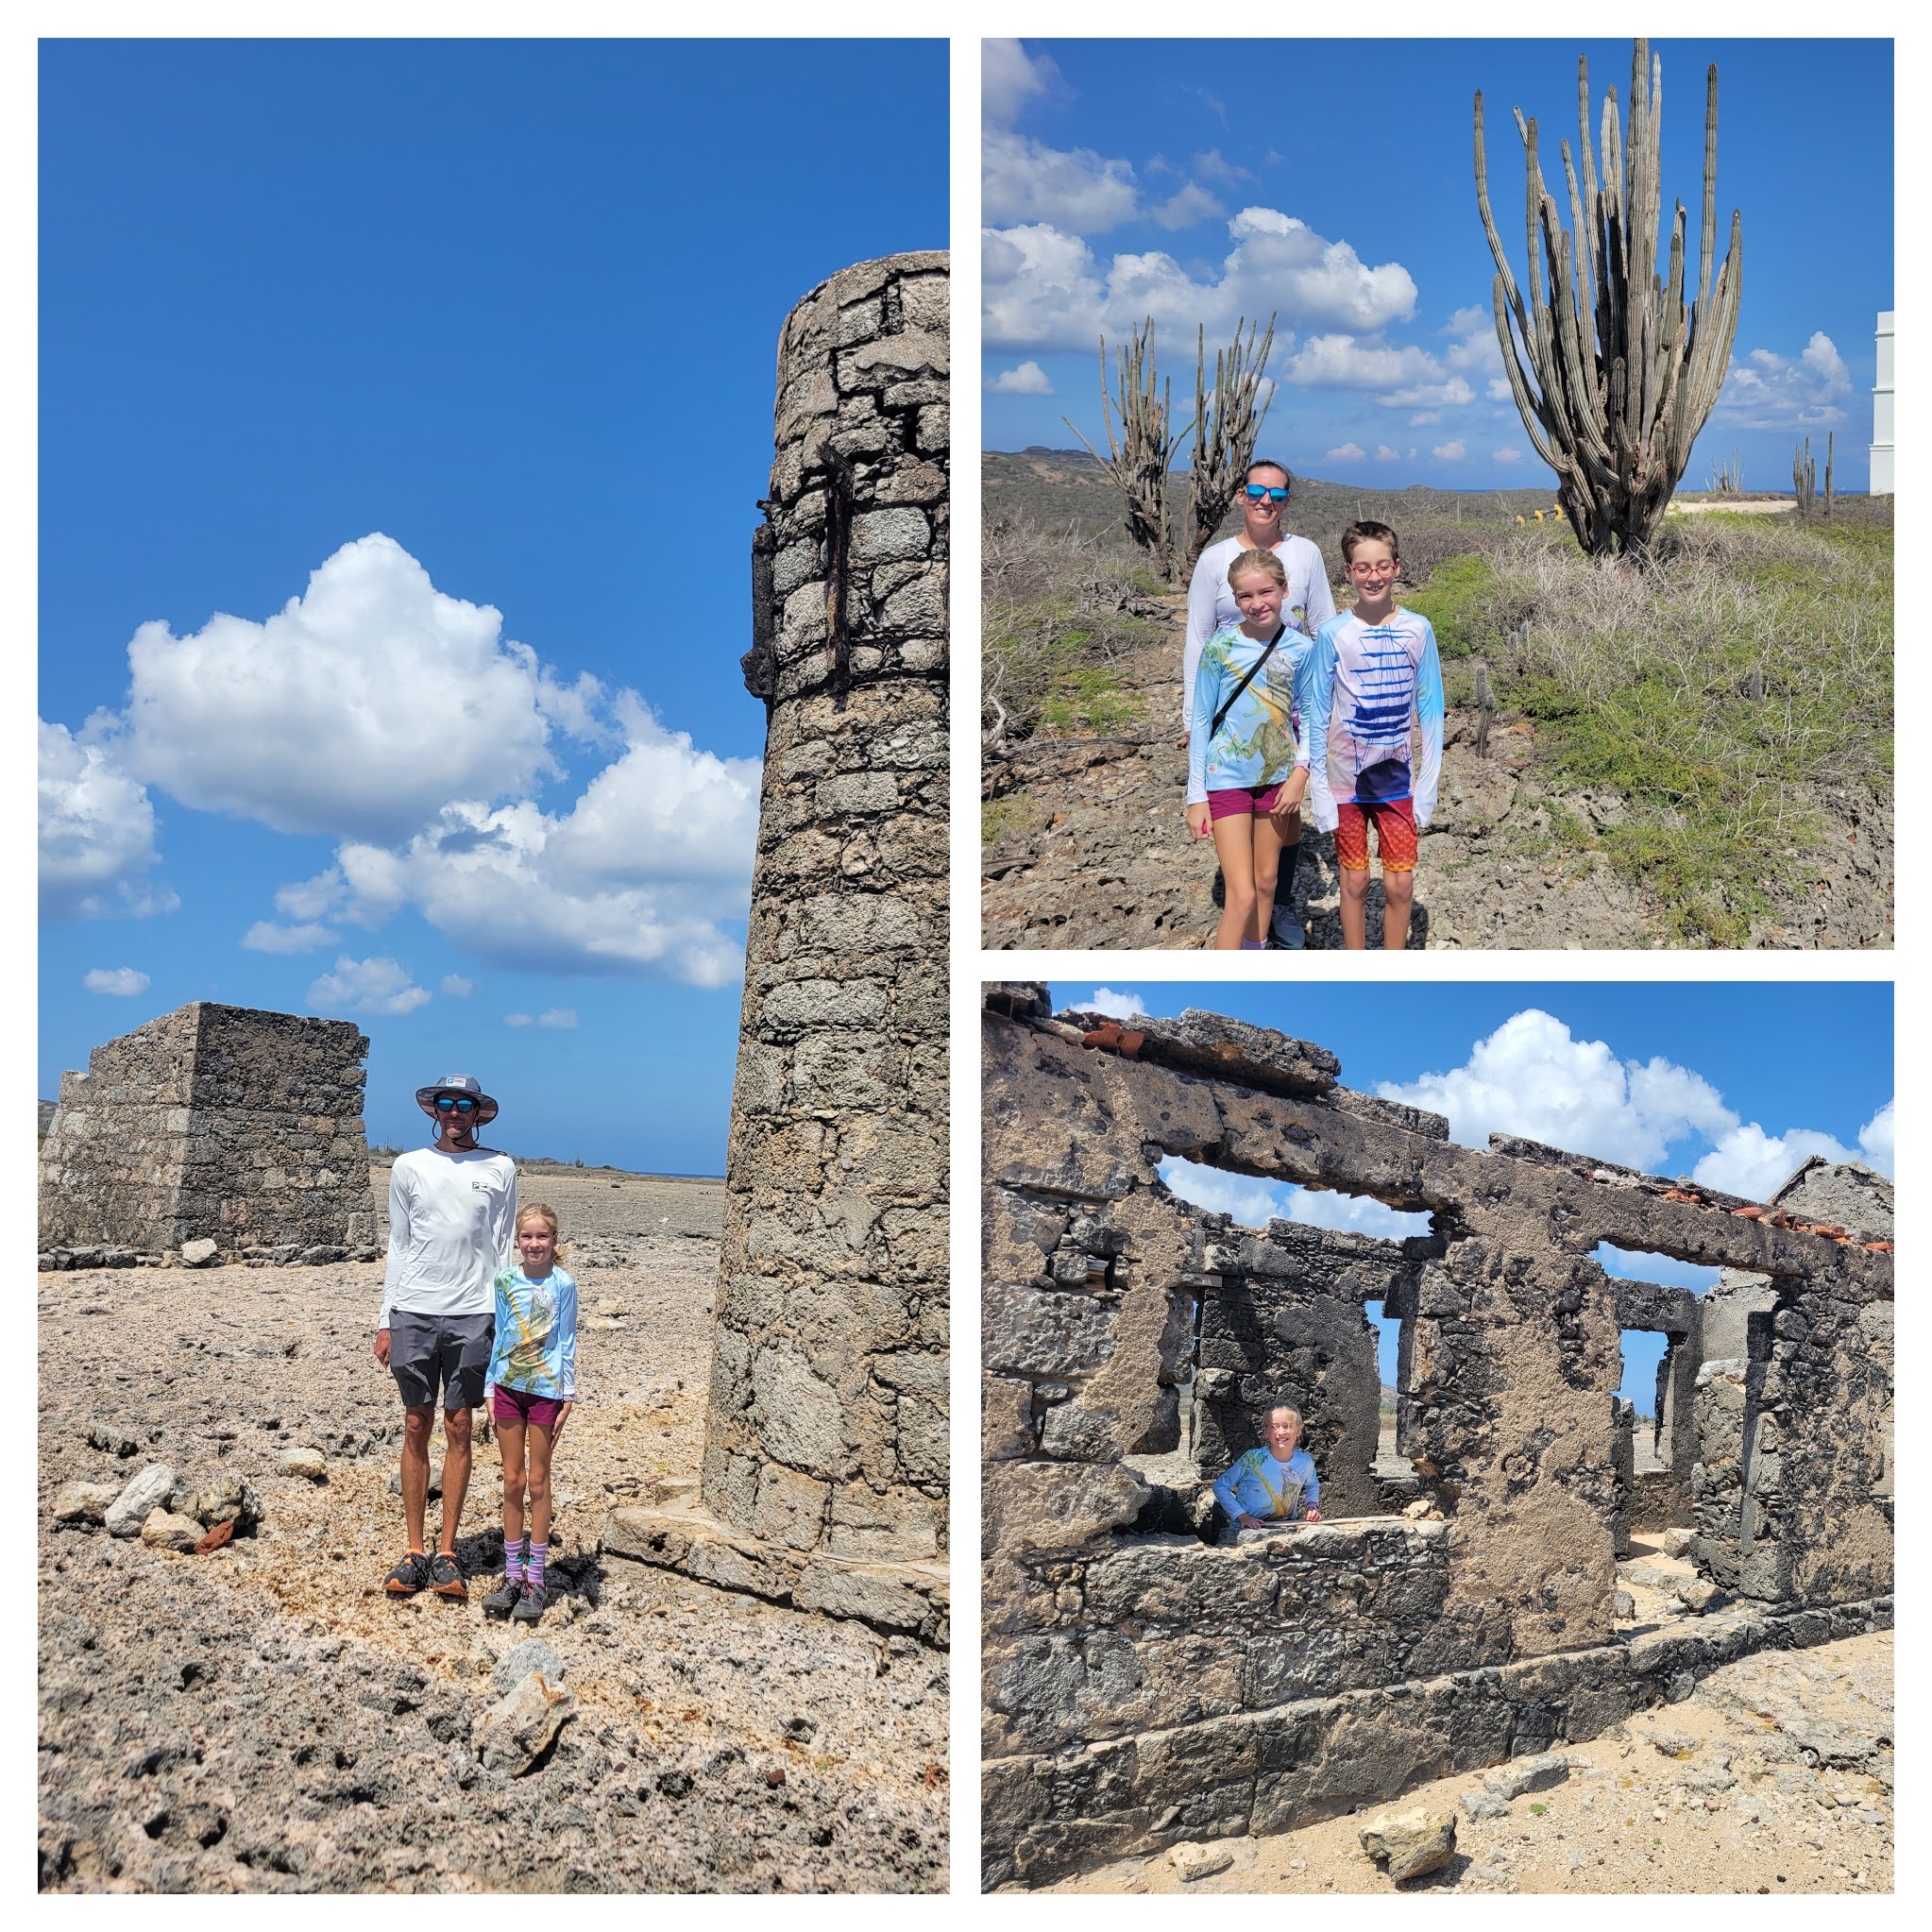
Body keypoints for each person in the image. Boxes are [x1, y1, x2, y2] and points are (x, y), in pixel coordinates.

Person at [373, 1074, 518, 1600]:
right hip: (414, 1308)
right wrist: (385, 1318)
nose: (454, 1112)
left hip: (474, 1313)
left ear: (478, 1112)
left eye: (465, 1105)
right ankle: (415, 1549)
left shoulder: (500, 1167)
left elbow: (504, 1245)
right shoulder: (409, 1166)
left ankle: (448, 1551)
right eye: (446, 1103)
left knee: (460, 1425)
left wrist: (506, 1316)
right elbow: (399, 1240)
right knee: (415, 1422)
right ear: (434, 1110)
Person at [1182, 458, 1336, 948]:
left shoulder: (1306, 554)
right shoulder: (1214, 561)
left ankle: (1279, 913)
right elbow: (1197, 636)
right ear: (1239, 495)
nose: (1265, 500)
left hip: (1286, 715)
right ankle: (1249, 930)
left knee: (1284, 833)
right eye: (1255, 490)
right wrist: (1190, 718)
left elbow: (1325, 628)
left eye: (1277, 493)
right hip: (1232, 712)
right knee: (1245, 880)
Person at [1298, 520, 1444, 951]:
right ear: (1348, 571)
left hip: (1398, 781)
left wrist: (1429, 788)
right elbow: (1316, 713)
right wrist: (1320, 790)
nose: (1373, 576)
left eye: (1382, 565)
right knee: (1355, 879)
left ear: (1397, 567)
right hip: (1345, 783)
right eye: (1363, 568)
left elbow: (1432, 710)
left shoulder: (1420, 629)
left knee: (1400, 886)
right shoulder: (1332, 633)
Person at [1185, 549, 1312, 950]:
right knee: (1240, 895)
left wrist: (1300, 775)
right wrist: (1195, 796)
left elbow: (1310, 717)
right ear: (1234, 599)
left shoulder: (1302, 650)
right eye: (1245, 596)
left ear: (1285, 590)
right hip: (1225, 780)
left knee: (1266, 882)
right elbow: (1201, 721)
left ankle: (1256, 951)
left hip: (1278, 779)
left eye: (1266, 592)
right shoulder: (1219, 649)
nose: (1257, 604)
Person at [481, 1202, 577, 1625]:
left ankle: (537, 1577)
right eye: (527, 1237)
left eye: (542, 1237)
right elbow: (499, 1334)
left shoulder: (563, 1285)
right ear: (517, 1242)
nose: (534, 1244)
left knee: (538, 1480)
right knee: (512, 1480)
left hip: (544, 1392)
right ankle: (512, 1573)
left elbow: (568, 1340)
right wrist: (488, 1388)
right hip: (505, 1388)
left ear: (554, 1241)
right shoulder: (504, 1281)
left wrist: (568, 1395)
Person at [1212, 1403, 1323, 1542]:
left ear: (1298, 1430)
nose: (1281, 1432)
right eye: (1274, 1427)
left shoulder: (1305, 1462)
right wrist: (1242, 1516)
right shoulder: (1252, 1459)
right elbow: (1220, 1486)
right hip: (1246, 1529)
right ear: (1265, 1431)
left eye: (1287, 1426)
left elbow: (1312, 1484)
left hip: (1286, 1526)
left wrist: (1312, 1506)